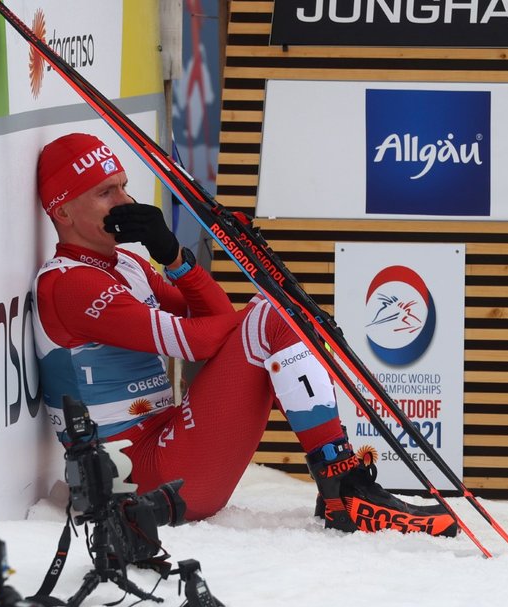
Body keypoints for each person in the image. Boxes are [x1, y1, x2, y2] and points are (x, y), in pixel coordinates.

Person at [31, 132, 456, 537]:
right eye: (106, 193)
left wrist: (173, 256)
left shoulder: (126, 265)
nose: (125, 201)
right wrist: (274, 324)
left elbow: (215, 315)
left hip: (166, 453)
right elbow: (198, 343)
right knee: (274, 318)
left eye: (124, 186)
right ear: (63, 211)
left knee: (273, 318)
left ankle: (342, 488)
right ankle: (343, 490)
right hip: (138, 485)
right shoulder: (69, 283)